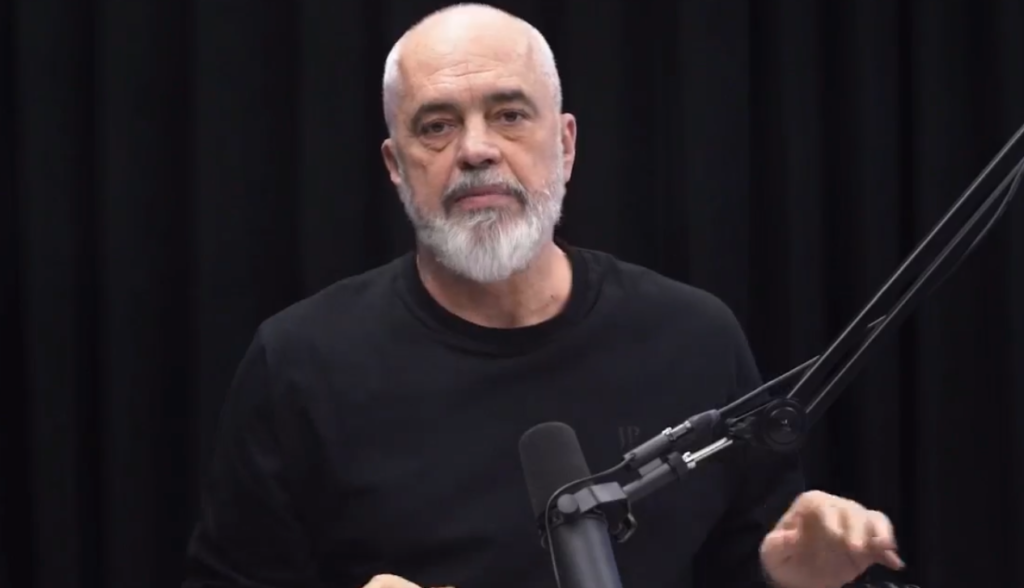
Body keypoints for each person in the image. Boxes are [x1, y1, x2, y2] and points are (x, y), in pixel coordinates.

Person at [182, 4, 906, 588]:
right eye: (437, 126)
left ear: (565, 144)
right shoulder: (300, 362)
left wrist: (786, 578)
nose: (476, 149)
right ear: (397, 166)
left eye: (509, 114)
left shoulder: (693, 337)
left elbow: (739, 566)